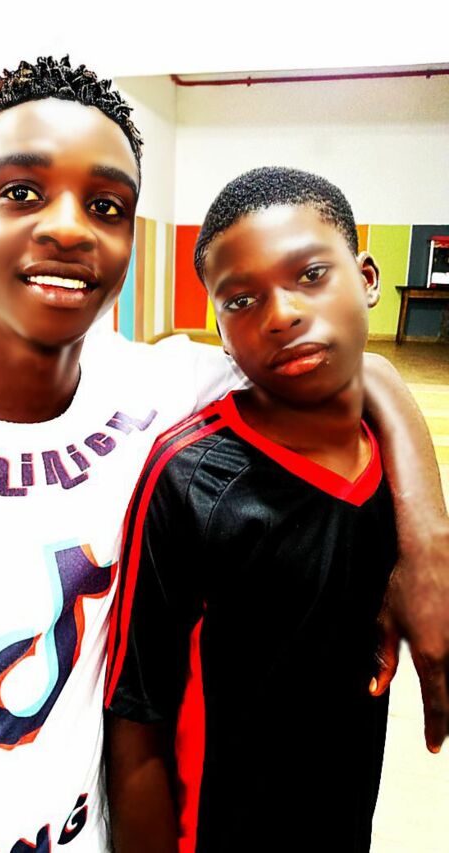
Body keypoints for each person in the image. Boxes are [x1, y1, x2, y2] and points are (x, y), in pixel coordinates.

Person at [0, 59, 447, 852]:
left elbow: (362, 368)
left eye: (105, 206)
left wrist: (427, 545)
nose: (69, 227)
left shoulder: (161, 386)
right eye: (21, 192)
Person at [103, 167, 434, 852]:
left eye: (311, 274)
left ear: (367, 279)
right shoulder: (190, 478)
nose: (280, 313)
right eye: (242, 299)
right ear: (221, 330)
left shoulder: (389, 458)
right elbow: (137, 721)